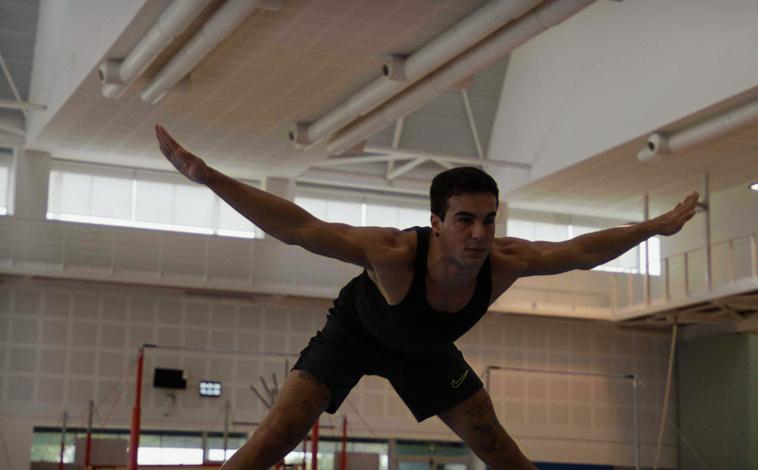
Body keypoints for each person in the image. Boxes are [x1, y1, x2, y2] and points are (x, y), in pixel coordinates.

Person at [155, 124, 698, 470]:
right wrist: (211, 179)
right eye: (465, 220)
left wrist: (655, 227)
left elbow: (581, 250)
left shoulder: (506, 262)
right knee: (278, 435)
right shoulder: (392, 253)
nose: (480, 234)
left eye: (488, 220)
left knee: (500, 449)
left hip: (428, 354)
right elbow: (298, 227)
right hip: (351, 338)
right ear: (436, 222)